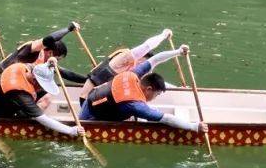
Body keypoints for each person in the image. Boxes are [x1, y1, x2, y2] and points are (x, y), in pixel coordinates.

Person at [79, 45, 208, 135]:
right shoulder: (135, 105)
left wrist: (178, 52)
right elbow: (167, 119)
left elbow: (156, 59)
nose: (155, 98)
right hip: (91, 118)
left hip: (92, 99)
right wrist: (194, 127)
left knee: (130, 110)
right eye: (156, 95)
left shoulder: (133, 74)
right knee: (144, 113)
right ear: (149, 89)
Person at [0, 61, 84, 136]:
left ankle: (31, 111)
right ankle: (26, 114)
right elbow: (42, 119)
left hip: (2, 96)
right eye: (42, 85)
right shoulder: (19, 91)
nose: (42, 88)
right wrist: (71, 130)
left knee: (46, 95)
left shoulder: (25, 67)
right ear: (35, 80)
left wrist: (50, 64)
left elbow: (41, 66)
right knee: (36, 115)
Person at [79, 28, 173, 98]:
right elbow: (147, 46)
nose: (143, 66)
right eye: (143, 62)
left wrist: (178, 88)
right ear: (140, 57)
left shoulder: (135, 71)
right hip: (88, 98)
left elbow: (154, 82)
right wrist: (163, 35)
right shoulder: (123, 60)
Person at [0, 22, 87, 84]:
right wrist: (69, 29)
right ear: (50, 53)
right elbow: (50, 39)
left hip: (15, 81)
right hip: (1, 80)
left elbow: (66, 73)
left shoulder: (46, 61)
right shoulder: (34, 48)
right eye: (57, 59)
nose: (57, 62)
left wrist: (88, 80)